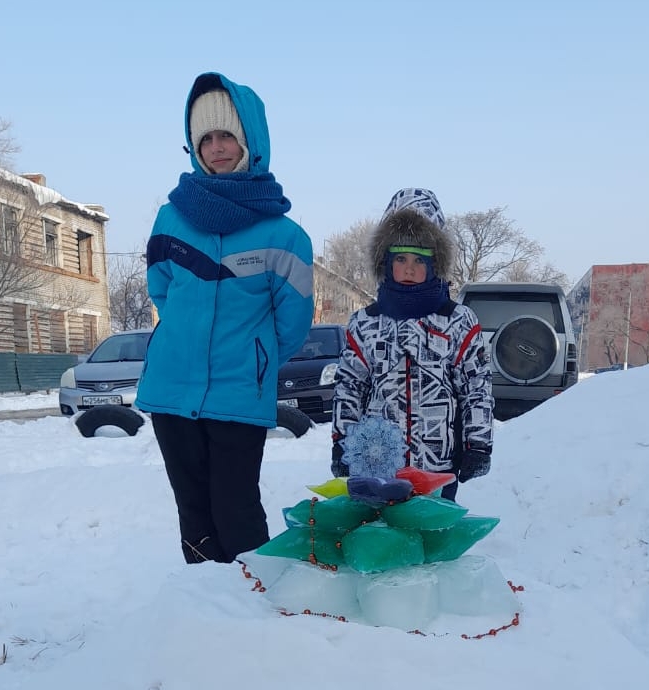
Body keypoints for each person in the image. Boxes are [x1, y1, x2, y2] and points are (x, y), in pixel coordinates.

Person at [136, 71, 313, 564]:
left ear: (250, 141)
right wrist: (186, 342)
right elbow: (162, 290)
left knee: (236, 511)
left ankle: (252, 614)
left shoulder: (285, 235)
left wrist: (252, 356)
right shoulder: (171, 217)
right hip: (172, 386)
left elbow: (292, 322)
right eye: (206, 138)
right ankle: (204, 618)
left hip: (239, 389)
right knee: (193, 512)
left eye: (227, 136)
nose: (216, 147)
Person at [331, 188, 493, 498]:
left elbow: (476, 390)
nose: (408, 268)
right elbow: (349, 389)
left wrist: (478, 443)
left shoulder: (458, 321)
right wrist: (342, 443)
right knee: (380, 540)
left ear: (436, 264)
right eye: (400, 258)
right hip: (376, 465)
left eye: (419, 259)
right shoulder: (366, 323)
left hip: (437, 465)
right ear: (385, 262)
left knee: (432, 538)